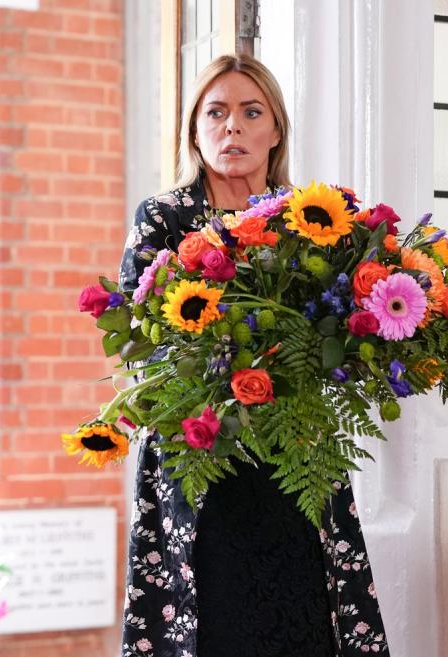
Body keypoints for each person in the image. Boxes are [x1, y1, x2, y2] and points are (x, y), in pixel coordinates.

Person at [118, 54, 389, 657]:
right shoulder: (163, 217)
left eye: (249, 112)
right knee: (213, 623)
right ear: (195, 131)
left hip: (296, 455)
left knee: (305, 621)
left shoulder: (314, 219)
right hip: (200, 454)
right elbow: (144, 340)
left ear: (275, 130)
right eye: (215, 113)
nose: (231, 128)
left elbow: (340, 332)